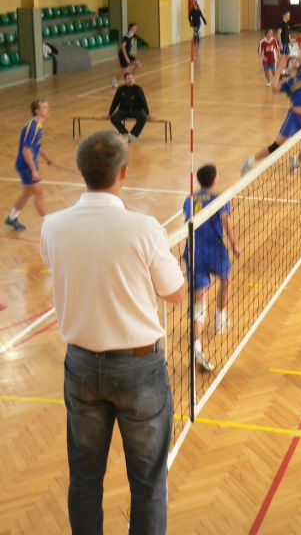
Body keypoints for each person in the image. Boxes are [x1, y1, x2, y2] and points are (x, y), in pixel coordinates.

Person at [40, 131, 186, 534]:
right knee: (149, 483)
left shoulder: (52, 226)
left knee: (84, 479)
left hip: (82, 366)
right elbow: (175, 293)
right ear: (124, 172)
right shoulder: (144, 228)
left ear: (79, 171)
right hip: (139, 370)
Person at [183, 164, 241, 372]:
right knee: (226, 280)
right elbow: (226, 223)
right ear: (214, 179)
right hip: (215, 250)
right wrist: (234, 244)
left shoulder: (188, 200)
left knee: (199, 302)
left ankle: (197, 346)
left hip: (194, 252)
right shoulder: (219, 199)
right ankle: (220, 319)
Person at [242, 44, 301, 175]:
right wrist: (279, 69)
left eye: (296, 60)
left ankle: (296, 159)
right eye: (291, 61)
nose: (294, 61)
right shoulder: (288, 83)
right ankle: (250, 161)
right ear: (287, 67)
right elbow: (274, 88)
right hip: (294, 118)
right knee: (276, 146)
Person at [5, 99, 54, 231]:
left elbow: (36, 145)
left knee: (27, 193)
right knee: (39, 192)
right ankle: (48, 224)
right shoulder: (32, 128)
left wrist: (46, 157)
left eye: (47, 107)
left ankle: (12, 218)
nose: (48, 109)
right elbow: (26, 150)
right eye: (44, 107)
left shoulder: (38, 125)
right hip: (26, 165)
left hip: (29, 164)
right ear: (37, 111)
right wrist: (34, 171)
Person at [109, 72, 150, 142]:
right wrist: (110, 113)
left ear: (134, 79)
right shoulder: (120, 89)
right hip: (124, 110)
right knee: (114, 118)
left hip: (136, 110)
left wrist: (148, 114)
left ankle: (133, 134)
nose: (130, 80)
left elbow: (144, 102)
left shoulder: (138, 89)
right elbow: (115, 102)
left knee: (143, 118)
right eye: (128, 78)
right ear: (125, 80)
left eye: (132, 78)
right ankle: (125, 133)